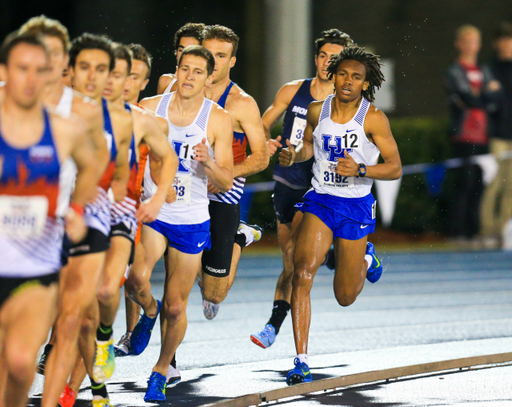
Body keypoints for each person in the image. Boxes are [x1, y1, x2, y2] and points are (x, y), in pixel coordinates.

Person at [60, 43, 178, 407]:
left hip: (123, 211)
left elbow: (168, 158)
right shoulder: (74, 111)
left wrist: (158, 198)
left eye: (124, 76)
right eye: (108, 73)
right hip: (80, 212)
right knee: (82, 309)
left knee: (110, 291)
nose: (114, 82)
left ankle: (106, 339)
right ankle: (95, 388)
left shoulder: (142, 119)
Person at [279, 46, 402, 385]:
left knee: (345, 296)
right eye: (343, 74)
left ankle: (365, 259)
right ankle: (301, 360)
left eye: (356, 77)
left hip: (355, 204)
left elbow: (394, 168)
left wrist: (361, 167)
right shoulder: (317, 111)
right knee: (302, 272)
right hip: (321, 198)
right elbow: (306, 146)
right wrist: (293, 156)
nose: (348, 81)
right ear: (333, 76)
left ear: (365, 84)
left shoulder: (373, 117)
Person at [125, 45, 233, 402]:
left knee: (177, 304)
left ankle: (161, 369)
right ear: (176, 70)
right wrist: (149, 185)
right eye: (184, 69)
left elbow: (227, 180)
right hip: (156, 211)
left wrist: (209, 163)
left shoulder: (216, 118)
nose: (188, 77)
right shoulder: (151, 108)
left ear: (209, 77)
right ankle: (148, 312)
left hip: (191, 218)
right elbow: (130, 155)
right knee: (135, 279)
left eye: (197, 72)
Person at [0, 31, 97, 407]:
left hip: (37, 264)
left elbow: (93, 167)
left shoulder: (64, 129)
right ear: (6, 70)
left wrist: (74, 210)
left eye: (39, 70)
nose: (30, 78)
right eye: (21, 68)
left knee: (23, 362)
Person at [251, 29, 352, 349]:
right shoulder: (293, 90)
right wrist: (262, 140)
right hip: (287, 181)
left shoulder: (348, 103)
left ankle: (273, 324)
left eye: (334, 58)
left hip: (321, 188)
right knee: (290, 261)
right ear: (315, 58)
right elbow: (262, 122)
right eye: (322, 56)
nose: (326, 63)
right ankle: (341, 254)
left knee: (297, 256)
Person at [199, 24, 269, 320]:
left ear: (232, 61)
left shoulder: (241, 103)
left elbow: (262, 157)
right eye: (209, 54)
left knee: (213, 293)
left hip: (222, 195)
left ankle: (240, 237)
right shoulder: (180, 91)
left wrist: (224, 175)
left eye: (221, 55)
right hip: (185, 192)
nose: (213, 62)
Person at [444, 25, 501, 244]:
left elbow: (497, 98)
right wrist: (484, 95)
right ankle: (459, 233)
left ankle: (475, 231)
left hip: (484, 136)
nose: (470, 45)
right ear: (458, 44)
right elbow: (469, 98)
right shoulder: (454, 70)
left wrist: (480, 96)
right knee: (464, 184)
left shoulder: (484, 69)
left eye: (474, 41)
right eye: (466, 41)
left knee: (480, 185)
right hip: (463, 136)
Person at [480, 22, 512, 247]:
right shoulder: (489, 68)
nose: (507, 44)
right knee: (494, 185)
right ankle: (488, 231)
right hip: (498, 136)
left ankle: (505, 232)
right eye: (503, 39)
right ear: (496, 43)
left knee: (511, 187)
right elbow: (487, 100)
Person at [157, 22, 205, 94]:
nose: (185, 56)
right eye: (181, 50)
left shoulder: (208, 90)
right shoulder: (165, 82)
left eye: (192, 51)